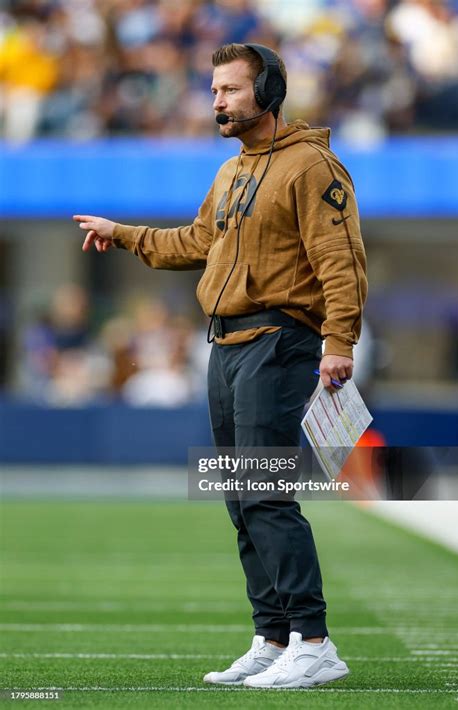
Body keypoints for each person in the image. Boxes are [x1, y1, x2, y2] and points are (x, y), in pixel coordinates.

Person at [73, 42, 367, 690]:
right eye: (214, 91)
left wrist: (339, 341)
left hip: (278, 340)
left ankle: (314, 640)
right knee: (239, 497)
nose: (217, 101)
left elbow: (341, 261)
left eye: (230, 90)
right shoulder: (232, 173)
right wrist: (123, 233)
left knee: (265, 490)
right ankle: (273, 635)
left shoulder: (312, 167)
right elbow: (196, 243)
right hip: (226, 344)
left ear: (268, 93)